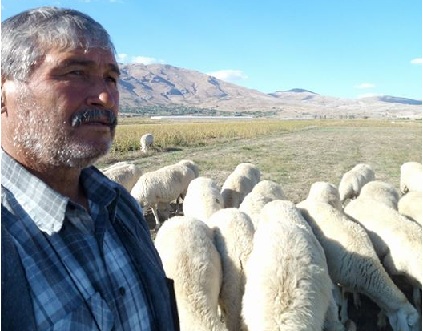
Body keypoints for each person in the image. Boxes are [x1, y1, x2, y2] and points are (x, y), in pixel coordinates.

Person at [1, 6, 179, 331]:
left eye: (111, 78)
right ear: (3, 92)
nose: (104, 96)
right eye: (75, 73)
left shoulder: (120, 205)